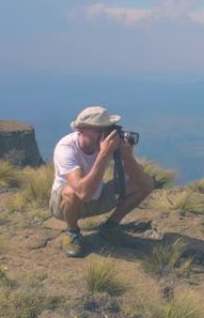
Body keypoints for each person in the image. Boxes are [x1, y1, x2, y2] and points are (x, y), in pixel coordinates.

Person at [49, 106, 154, 257]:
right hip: (65, 206)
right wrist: (104, 154)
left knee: (146, 182)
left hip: (97, 196)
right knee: (72, 193)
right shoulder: (66, 148)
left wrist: (127, 156)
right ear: (81, 130)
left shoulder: (109, 145)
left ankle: (110, 227)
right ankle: (72, 232)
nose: (105, 135)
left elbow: (143, 183)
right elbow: (82, 193)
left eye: (107, 129)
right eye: (99, 131)